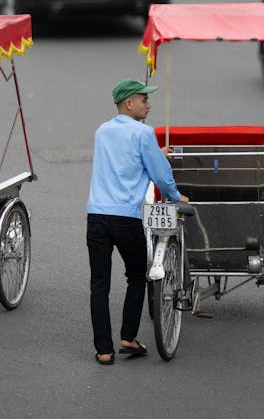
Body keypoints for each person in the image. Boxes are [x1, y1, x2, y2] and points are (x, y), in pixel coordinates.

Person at [86, 78, 188, 366]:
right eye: (144, 99)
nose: (149, 104)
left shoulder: (102, 131)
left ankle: (103, 350)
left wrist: (155, 153)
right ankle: (128, 337)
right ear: (129, 103)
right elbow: (159, 174)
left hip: (96, 215)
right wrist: (176, 195)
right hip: (125, 217)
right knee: (136, 276)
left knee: (99, 284)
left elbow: (124, 159)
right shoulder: (144, 133)